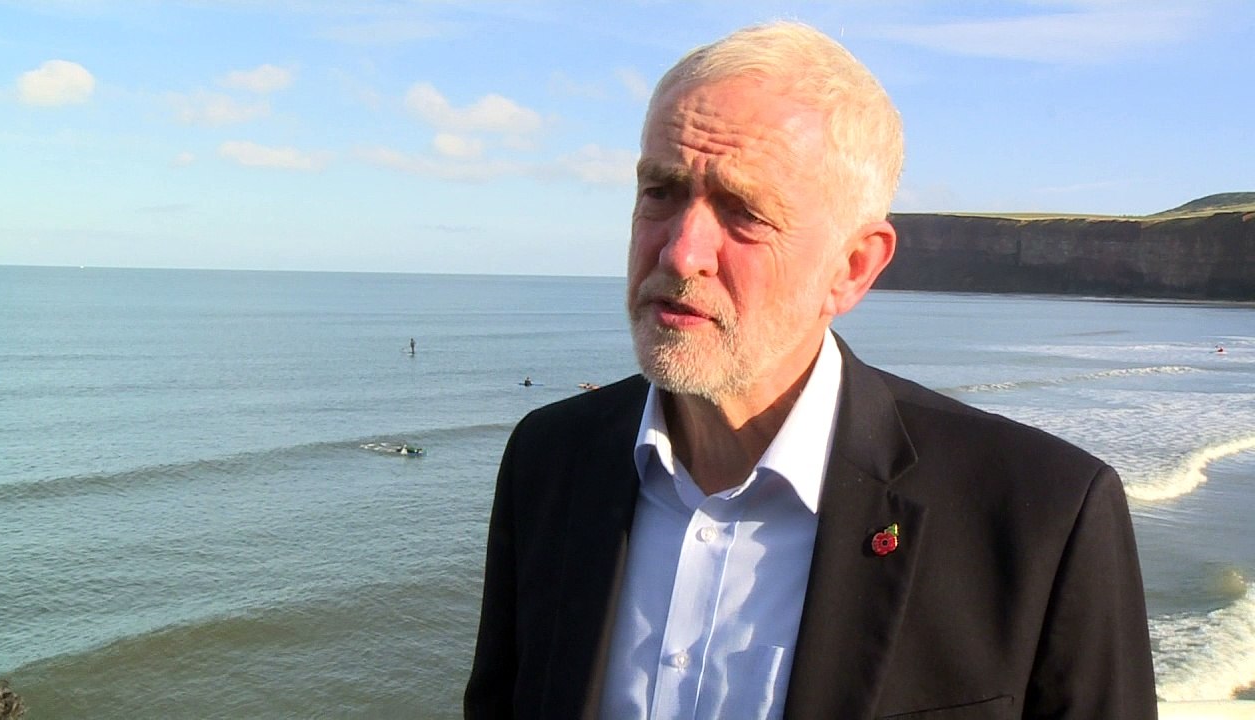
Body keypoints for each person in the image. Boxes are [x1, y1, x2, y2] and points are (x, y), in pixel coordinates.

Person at [466, 22, 1156, 719]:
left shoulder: (1044, 515)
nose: (680, 254)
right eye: (662, 191)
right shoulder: (548, 462)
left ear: (853, 268)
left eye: (744, 213)